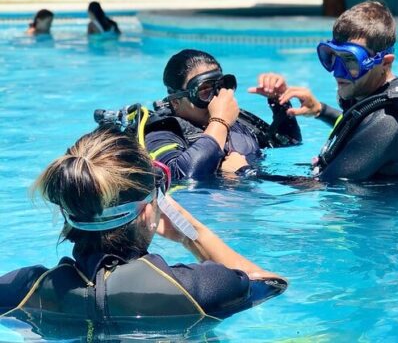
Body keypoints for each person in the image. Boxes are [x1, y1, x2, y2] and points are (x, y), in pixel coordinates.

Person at [0, 126, 287, 334]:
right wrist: (192, 234)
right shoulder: (196, 288)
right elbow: (272, 284)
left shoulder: (26, 289)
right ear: (148, 210)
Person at [250, 0, 398, 182]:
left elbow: (324, 185)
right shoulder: (380, 99)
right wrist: (320, 110)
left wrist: (241, 172)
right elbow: (359, 126)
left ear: (385, 63)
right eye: (333, 56)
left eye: (350, 60)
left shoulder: (389, 121)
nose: (337, 71)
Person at [143, 49, 302, 181]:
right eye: (204, 91)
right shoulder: (161, 133)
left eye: (221, 86)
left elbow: (287, 142)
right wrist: (219, 122)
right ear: (176, 101)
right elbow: (180, 176)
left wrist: (280, 102)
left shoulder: (236, 121)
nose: (216, 99)